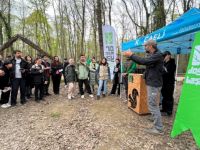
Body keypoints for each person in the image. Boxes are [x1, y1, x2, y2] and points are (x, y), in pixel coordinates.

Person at [123, 39, 164, 135]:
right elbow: (148, 66)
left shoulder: (157, 55)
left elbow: (143, 61)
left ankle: (158, 128)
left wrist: (131, 55)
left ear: (150, 46)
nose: (144, 47)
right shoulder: (153, 55)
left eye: (145, 46)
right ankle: (155, 120)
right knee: (152, 104)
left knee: (153, 105)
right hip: (152, 83)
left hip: (154, 84)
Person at [161, 51, 176, 116]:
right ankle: (164, 108)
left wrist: (164, 71)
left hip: (169, 83)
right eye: (163, 56)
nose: (164, 57)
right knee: (164, 96)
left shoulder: (172, 64)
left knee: (169, 97)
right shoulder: (163, 63)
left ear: (169, 56)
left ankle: (169, 111)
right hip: (163, 83)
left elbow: (169, 73)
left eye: (165, 55)